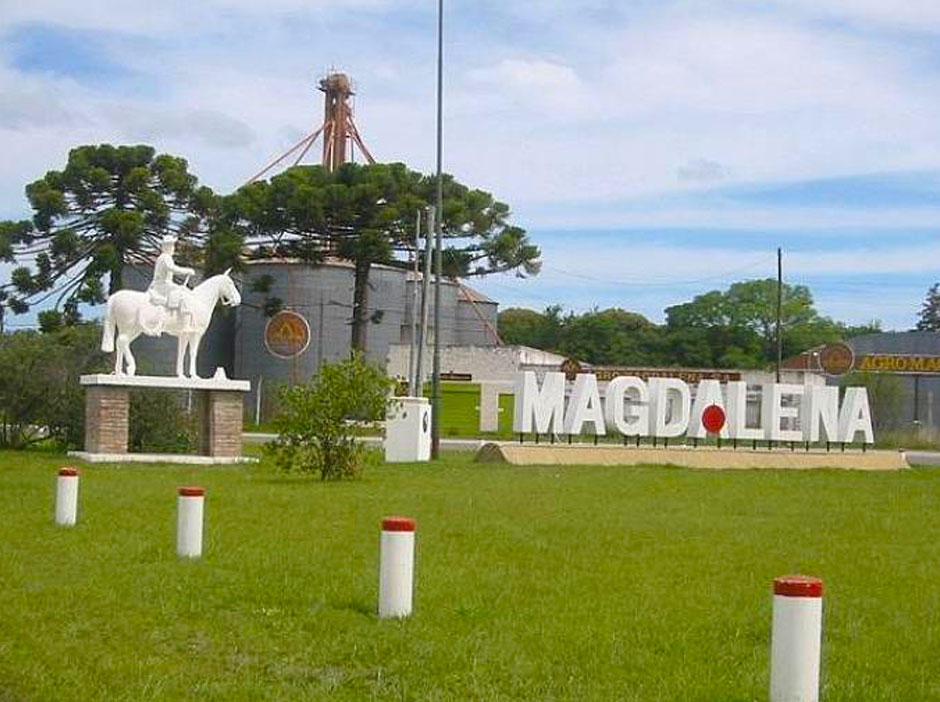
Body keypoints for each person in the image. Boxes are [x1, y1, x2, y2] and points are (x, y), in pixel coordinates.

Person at [148, 235, 196, 332]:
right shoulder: (166, 257)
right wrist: (187, 271)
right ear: (167, 247)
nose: (173, 248)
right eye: (172, 246)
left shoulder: (163, 257)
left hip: (162, 284)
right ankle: (186, 325)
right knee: (183, 294)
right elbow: (172, 268)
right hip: (162, 284)